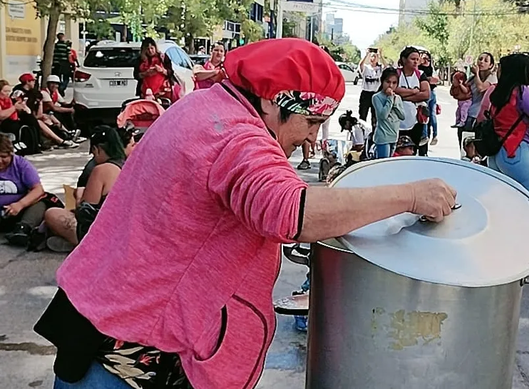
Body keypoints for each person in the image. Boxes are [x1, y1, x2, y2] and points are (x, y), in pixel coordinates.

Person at [34, 39, 456, 389]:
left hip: (99, 327)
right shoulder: (236, 136)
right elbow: (293, 211)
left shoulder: (203, 107)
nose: (312, 136)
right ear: (273, 102)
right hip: (132, 363)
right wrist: (411, 195)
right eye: (310, 121)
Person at [478, 53, 529, 197]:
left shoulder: (497, 91)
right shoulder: (522, 91)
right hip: (517, 151)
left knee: (501, 201)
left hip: (495, 153)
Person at [44, 126, 132, 252]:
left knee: (52, 214)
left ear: (97, 149)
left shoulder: (101, 170)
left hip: (105, 233)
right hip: (128, 231)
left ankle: (78, 245)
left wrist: (79, 197)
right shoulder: (129, 165)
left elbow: (86, 213)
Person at [0, 134, 48, 247]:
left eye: (3, 157)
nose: (0, 161)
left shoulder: (21, 165)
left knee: (41, 202)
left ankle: (22, 230)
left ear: (11, 154)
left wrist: (20, 204)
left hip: (17, 212)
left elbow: (38, 189)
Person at [395, 47, 431, 156]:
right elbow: (393, 90)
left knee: (412, 151)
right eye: (412, 59)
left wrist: (404, 96)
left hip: (415, 121)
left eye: (417, 59)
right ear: (404, 59)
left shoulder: (420, 74)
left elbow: (426, 94)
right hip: (396, 121)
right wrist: (413, 92)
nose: (415, 62)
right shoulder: (396, 73)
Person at [458, 52, 497, 146]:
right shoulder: (472, 78)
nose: (481, 62)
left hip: (478, 117)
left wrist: (476, 74)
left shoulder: (492, 77)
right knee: (464, 146)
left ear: (491, 65)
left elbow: (481, 88)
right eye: (480, 59)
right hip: (466, 115)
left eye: (485, 60)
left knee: (474, 147)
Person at [372, 67, 405, 159]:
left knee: (390, 161)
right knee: (383, 162)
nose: (390, 85)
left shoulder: (397, 98)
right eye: (388, 82)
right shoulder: (377, 97)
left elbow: (402, 116)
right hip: (383, 136)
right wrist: (390, 99)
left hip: (394, 136)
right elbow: (383, 115)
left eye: (394, 83)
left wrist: (395, 103)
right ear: (382, 81)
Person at [41, 75, 82, 142]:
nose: (54, 86)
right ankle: (67, 133)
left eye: (56, 84)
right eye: (52, 83)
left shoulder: (55, 92)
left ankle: (71, 131)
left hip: (51, 112)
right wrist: (69, 110)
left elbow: (64, 103)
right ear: (48, 84)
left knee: (68, 110)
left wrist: (72, 104)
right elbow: (54, 108)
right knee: (63, 113)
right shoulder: (44, 93)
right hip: (46, 112)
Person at [419, 51, 440, 146]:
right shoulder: (430, 68)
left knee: (426, 114)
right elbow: (435, 80)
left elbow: (435, 80)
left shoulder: (421, 68)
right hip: (431, 92)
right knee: (432, 114)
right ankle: (434, 135)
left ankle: (425, 135)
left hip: (426, 93)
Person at [358, 50, 383, 125]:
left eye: (375, 56)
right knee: (363, 114)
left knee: (375, 116)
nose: (373, 58)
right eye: (372, 56)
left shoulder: (379, 68)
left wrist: (381, 56)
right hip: (366, 93)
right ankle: (362, 132)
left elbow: (386, 66)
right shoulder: (366, 67)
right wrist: (366, 55)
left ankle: (374, 132)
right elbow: (360, 65)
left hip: (376, 93)